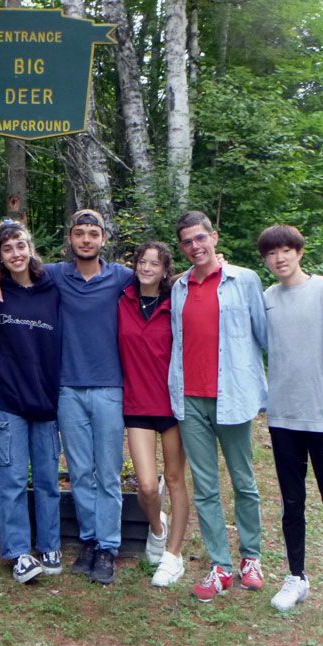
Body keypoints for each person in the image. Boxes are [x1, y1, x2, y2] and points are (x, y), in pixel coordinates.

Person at [0, 209, 133, 584]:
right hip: (65, 389)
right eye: (79, 233)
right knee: (79, 472)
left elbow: (156, 278)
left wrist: (205, 267)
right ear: (70, 239)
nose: (86, 239)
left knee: (108, 473)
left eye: (93, 233)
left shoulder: (120, 276)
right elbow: (14, 263)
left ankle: (107, 547)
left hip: (109, 387)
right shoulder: (54, 275)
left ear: (103, 239)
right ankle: (89, 541)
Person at [257, 224, 323, 625]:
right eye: (271, 253)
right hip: (283, 417)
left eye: (286, 250)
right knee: (291, 502)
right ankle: (296, 577)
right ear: (265, 260)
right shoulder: (267, 299)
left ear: (299, 252)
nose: (279, 258)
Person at [168, 211, 268, 602]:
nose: (195, 246)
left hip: (233, 396)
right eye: (187, 242)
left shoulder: (245, 280)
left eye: (200, 238)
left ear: (214, 237)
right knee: (206, 486)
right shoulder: (178, 288)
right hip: (189, 398)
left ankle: (251, 557)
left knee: (243, 480)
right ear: (181, 247)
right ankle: (220, 565)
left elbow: (266, 339)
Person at [0, 220, 63, 584]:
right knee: (13, 479)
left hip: (46, 398)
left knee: (48, 479)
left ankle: (49, 544)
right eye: (7, 249)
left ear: (30, 247)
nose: (16, 253)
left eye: (20, 245)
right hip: (8, 399)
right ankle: (18, 552)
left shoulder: (54, 286)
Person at [118, 241, 190, 587]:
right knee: (147, 486)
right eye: (142, 262)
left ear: (165, 271)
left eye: (155, 263)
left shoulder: (176, 301)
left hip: (173, 405)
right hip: (137, 405)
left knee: (175, 480)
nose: (147, 268)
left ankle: (173, 555)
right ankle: (157, 529)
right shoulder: (122, 298)